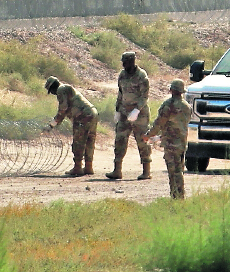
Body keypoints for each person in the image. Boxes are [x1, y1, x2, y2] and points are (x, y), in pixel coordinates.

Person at [105, 51, 152, 181]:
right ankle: (117, 170)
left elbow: (144, 96)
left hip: (139, 114)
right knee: (120, 139)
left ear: (132, 61)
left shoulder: (142, 76)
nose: (123, 64)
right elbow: (120, 94)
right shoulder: (122, 75)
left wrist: (137, 110)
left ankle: (146, 171)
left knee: (142, 140)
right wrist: (117, 110)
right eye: (123, 62)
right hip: (125, 112)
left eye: (125, 62)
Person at [146, 79, 192, 199]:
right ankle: (179, 196)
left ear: (171, 90)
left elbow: (159, 123)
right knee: (179, 170)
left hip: (171, 143)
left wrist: (149, 135)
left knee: (173, 172)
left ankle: (176, 197)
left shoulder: (168, 105)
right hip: (182, 142)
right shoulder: (187, 106)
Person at [46, 76, 97, 177]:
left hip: (82, 116)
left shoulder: (61, 89)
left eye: (51, 91)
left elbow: (63, 109)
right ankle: (88, 167)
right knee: (89, 141)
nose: (52, 93)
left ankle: (78, 167)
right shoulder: (67, 88)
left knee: (79, 141)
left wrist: (52, 124)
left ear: (52, 87)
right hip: (92, 113)